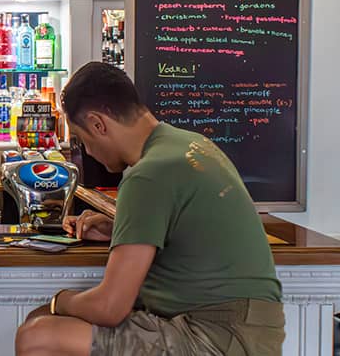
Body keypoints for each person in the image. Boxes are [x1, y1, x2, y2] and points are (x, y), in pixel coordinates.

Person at [15, 62, 283, 356]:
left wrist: (59, 301)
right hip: (247, 331)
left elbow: (110, 307)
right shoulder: (190, 144)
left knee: (38, 336)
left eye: (82, 140)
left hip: (216, 337)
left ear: (97, 124)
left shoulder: (148, 173)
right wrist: (120, 227)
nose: (88, 152)